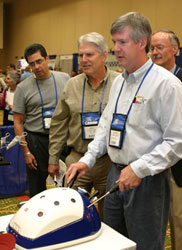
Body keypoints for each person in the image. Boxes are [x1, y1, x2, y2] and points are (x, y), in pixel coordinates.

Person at [66, 12, 182, 250]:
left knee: (145, 245)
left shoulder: (166, 84)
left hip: (147, 180)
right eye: (114, 43)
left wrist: (138, 169)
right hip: (114, 175)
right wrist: (87, 160)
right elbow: (105, 127)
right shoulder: (119, 81)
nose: (116, 49)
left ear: (141, 43)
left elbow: (176, 142)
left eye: (122, 42)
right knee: (114, 243)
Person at [48, 32, 119, 220]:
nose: (83, 60)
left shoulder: (120, 83)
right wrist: (53, 158)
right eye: (81, 55)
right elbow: (58, 124)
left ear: (104, 55)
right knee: (70, 216)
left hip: (109, 163)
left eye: (89, 54)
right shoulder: (71, 85)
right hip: (76, 160)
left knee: (110, 218)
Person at [13, 43, 70, 198]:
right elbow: (18, 122)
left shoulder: (65, 79)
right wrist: (26, 152)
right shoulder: (23, 88)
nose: (36, 66)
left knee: (66, 185)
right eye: (32, 64)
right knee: (37, 188)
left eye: (39, 61)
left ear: (47, 58)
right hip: (37, 141)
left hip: (62, 140)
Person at [151, 29, 182, 250]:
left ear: (175, 49)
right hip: (151, 162)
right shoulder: (148, 81)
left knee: (178, 219)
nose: (154, 52)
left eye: (160, 47)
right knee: (153, 219)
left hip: (178, 164)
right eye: (152, 48)